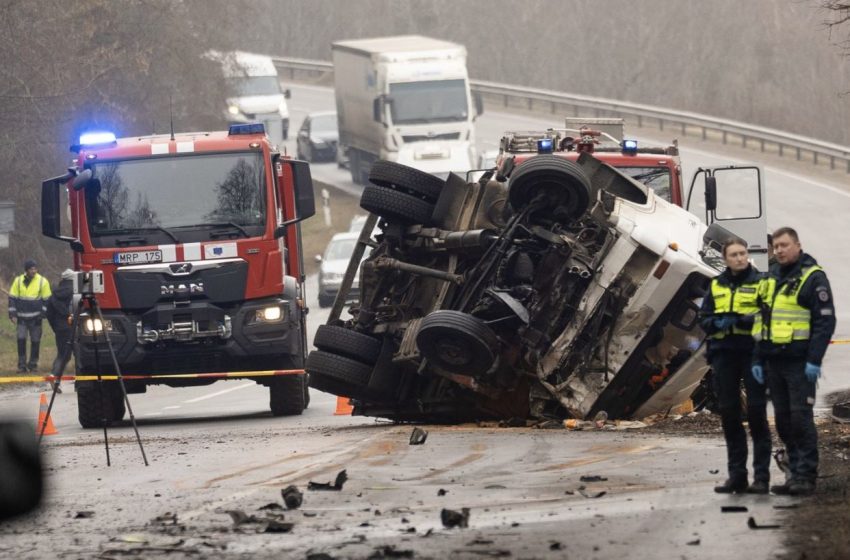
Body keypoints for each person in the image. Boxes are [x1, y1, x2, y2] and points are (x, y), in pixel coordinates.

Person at [752, 227, 835, 496]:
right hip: (774, 363)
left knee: (801, 420)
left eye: (784, 245)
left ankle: (805, 476)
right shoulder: (771, 278)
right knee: (784, 421)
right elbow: (760, 321)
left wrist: (814, 360)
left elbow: (825, 322)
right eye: (775, 246)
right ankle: (793, 474)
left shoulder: (813, 277)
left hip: (800, 364)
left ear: (797, 245)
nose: (779, 250)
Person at [699, 238, 771, 493]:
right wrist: (723, 322)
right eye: (734, 254)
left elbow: (770, 315)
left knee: (756, 415)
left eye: (743, 253)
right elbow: (704, 318)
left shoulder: (761, 283)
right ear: (726, 258)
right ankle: (737, 476)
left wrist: (748, 321)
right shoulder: (717, 285)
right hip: (724, 356)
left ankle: (761, 477)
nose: (740, 258)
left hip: (753, 354)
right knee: (730, 415)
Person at [8, 260, 51, 373]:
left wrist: (43, 313)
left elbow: (47, 300)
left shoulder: (43, 281)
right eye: (31, 269)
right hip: (21, 318)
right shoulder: (18, 281)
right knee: (21, 340)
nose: (34, 271)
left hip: (36, 318)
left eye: (35, 268)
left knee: (35, 341)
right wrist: (12, 314)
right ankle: (21, 366)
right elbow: (12, 298)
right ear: (26, 270)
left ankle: (33, 365)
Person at [46, 269, 75, 393]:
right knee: (80, 355)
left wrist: (56, 327)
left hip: (60, 328)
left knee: (62, 355)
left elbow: (49, 314)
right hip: (75, 326)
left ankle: (54, 376)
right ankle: (82, 382)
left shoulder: (54, 294)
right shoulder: (76, 291)